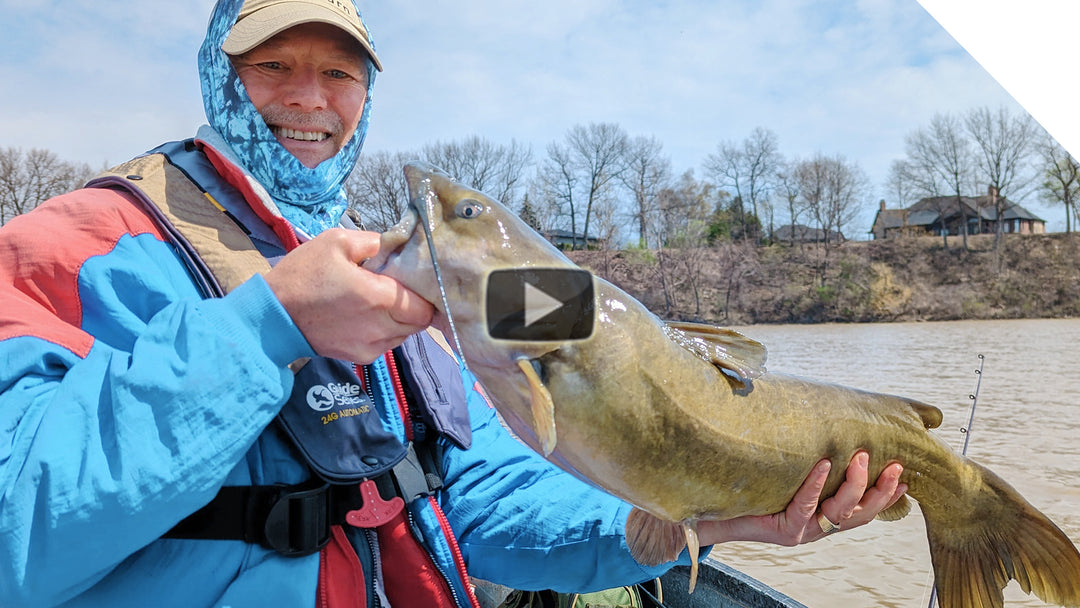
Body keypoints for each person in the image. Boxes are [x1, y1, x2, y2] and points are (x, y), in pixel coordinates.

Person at [0, 1, 907, 607]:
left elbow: (482, 499)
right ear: (217, 71)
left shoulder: (425, 269)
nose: (310, 98)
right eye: (272, 64)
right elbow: (16, 531)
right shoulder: (72, 239)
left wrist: (693, 521)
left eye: (340, 74)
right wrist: (269, 325)